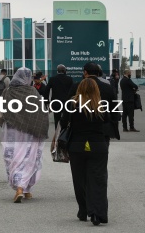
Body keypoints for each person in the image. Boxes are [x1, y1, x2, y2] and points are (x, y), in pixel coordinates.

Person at [60, 78, 110, 225]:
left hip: (77, 146)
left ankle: (83, 210)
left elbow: (63, 123)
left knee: (79, 179)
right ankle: (97, 213)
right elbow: (107, 121)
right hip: (98, 146)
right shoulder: (101, 105)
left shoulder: (71, 104)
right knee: (98, 180)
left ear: (79, 89)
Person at [0, 67, 49, 203]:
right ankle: (23, 188)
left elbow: (2, 108)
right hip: (30, 131)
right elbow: (40, 111)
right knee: (29, 157)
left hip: (12, 131)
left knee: (13, 158)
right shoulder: (32, 91)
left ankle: (23, 189)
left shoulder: (7, 91)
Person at [68, 62, 120, 141]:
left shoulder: (76, 86)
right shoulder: (107, 87)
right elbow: (114, 108)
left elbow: (68, 107)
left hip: (79, 131)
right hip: (101, 130)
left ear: (85, 72)